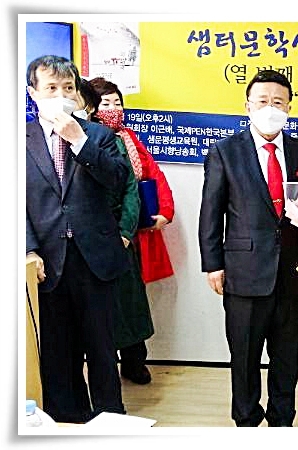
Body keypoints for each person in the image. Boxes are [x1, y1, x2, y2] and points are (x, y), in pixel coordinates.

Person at [198, 69, 298, 427]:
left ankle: (282, 420)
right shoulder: (225, 151)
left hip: (292, 272)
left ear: (289, 107)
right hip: (243, 272)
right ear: (247, 106)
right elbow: (211, 212)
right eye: (263, 101)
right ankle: (246, 421)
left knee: (286, 356)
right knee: (244, 356)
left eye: (278, 102)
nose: (270, 108)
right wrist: (213, 264)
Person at [25, 55, 129, 423]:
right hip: (47, 260)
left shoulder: (99, 135)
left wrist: (79, 140)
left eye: (68, 87)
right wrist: (28, 248)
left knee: (101, 347)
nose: (61, 95)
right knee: (57, 348)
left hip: (95, 257)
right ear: (33, 92)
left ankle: (110, 419)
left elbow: (117, 181)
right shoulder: (18, 139)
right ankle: (66, 419)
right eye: (51, 88)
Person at [88, 77, 167, 385]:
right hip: (89, 237)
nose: (113, 109)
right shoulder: (79, 138)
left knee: (131, 303)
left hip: (125, 235)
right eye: (105, 103)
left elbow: (140, 184)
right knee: (98, 310)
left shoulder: (127, 140)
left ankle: (134, 362)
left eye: (117, 102)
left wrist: (126, 230)